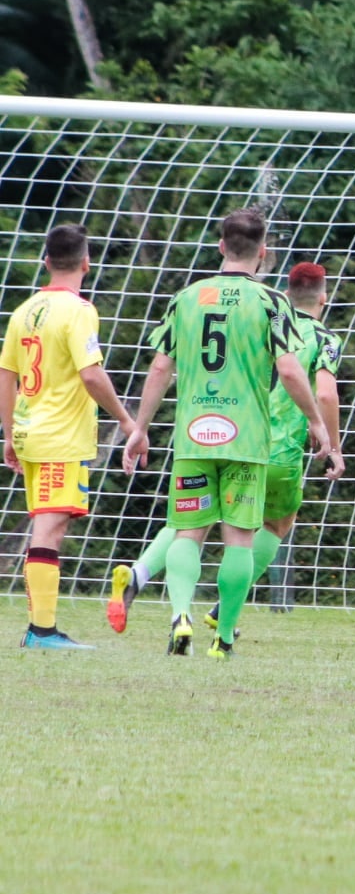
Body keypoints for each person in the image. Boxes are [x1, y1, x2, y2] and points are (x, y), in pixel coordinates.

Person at [123, 209, 337, 659]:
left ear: (221, 247)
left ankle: (180, 615)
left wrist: (139, 427)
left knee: (186, 531)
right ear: (263, 253)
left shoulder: (186, 297)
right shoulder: (271, 302)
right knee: (240, 538)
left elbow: (162, 366)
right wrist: (317, 422)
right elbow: (290, 369)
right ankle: (222, 639)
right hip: (247, 440)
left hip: (194, 436)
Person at [0, 224, 141, 649]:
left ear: (46, 261)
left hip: (28, 431)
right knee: (50, 529)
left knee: (47, 524)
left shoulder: (24, 311)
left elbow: (6, 376)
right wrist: (126, 420)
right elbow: (91, 374)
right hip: (60, 436)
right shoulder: (79, 311)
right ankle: (41, 631)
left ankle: (41, 629)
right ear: (86, 262)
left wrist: (8, 435)